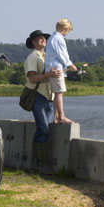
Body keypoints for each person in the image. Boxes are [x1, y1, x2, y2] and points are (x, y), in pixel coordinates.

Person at [24, 29, 62, 172]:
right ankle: (42, 166)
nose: (42, 40)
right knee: (44, 129)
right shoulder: (32, 57)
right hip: (38, 97)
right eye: (39, 38)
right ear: (33, 42)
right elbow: (32, 78)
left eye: (44, 38)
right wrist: (49, 74)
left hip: (50, 98)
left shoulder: (48, 56)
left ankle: (35, 164)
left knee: (41, 130)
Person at [45, 18, 77, 124]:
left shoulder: (51, 38)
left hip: (52, 68)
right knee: (59, 92)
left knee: (56, 92)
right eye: (68, 31)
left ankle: (56, 118)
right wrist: (71, 65)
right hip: (57, 69)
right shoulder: (58, 38)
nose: (67, 33)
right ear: (64, 29)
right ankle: (62, 117)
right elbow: (62, 54)